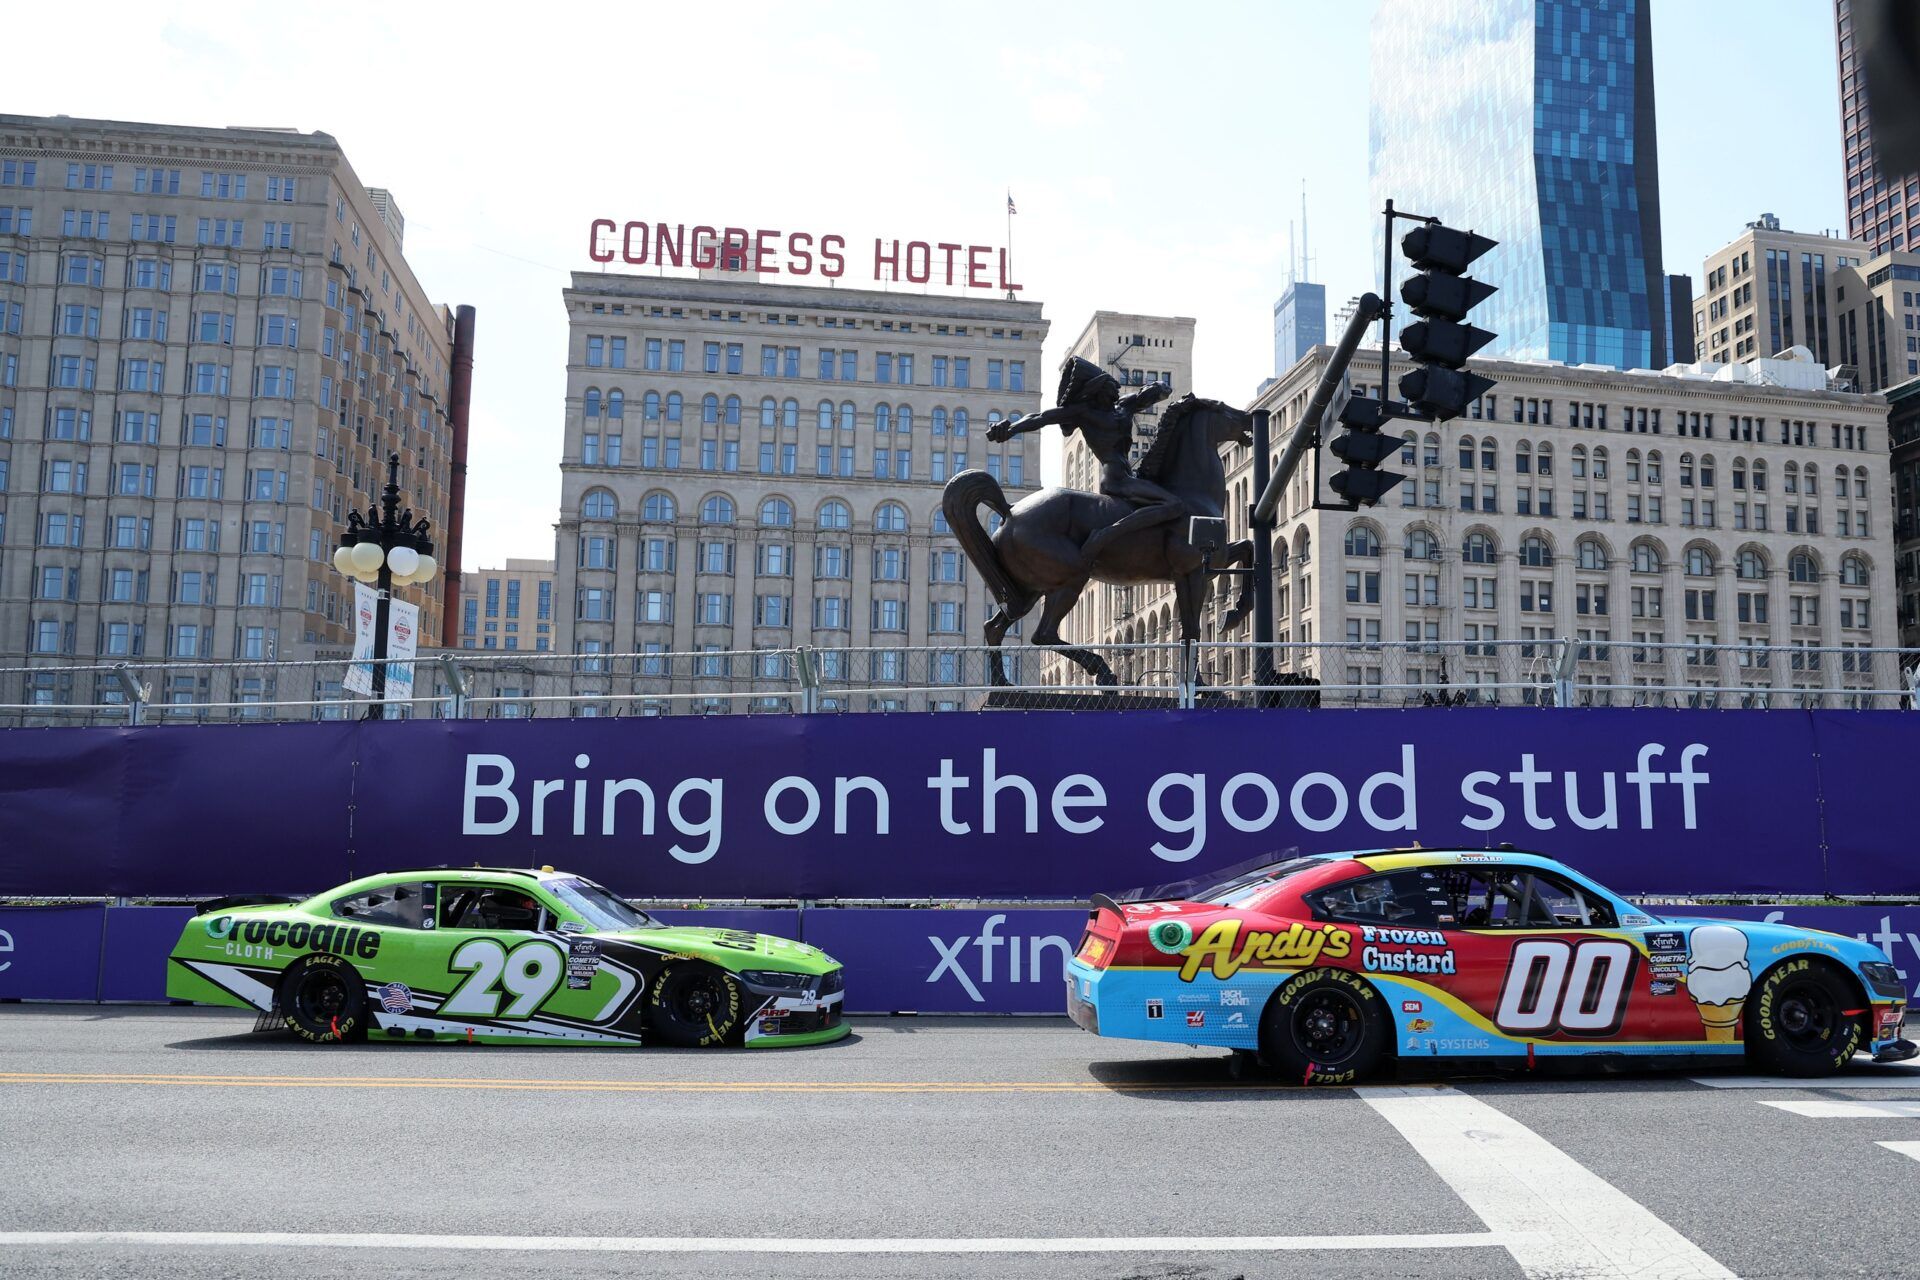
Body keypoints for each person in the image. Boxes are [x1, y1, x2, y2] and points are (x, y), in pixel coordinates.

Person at [987, 356, 1183, 560]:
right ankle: (1107, 534)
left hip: (1132, 477)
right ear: (1098, 390)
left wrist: (1159, 387)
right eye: (1110, 385)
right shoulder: (1085, 414)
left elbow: (1153, 394)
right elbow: (1041, 418)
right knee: (1174, 504)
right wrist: (1011, 429)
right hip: (1116, 479)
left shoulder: (1124, 407)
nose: (1116, 388)